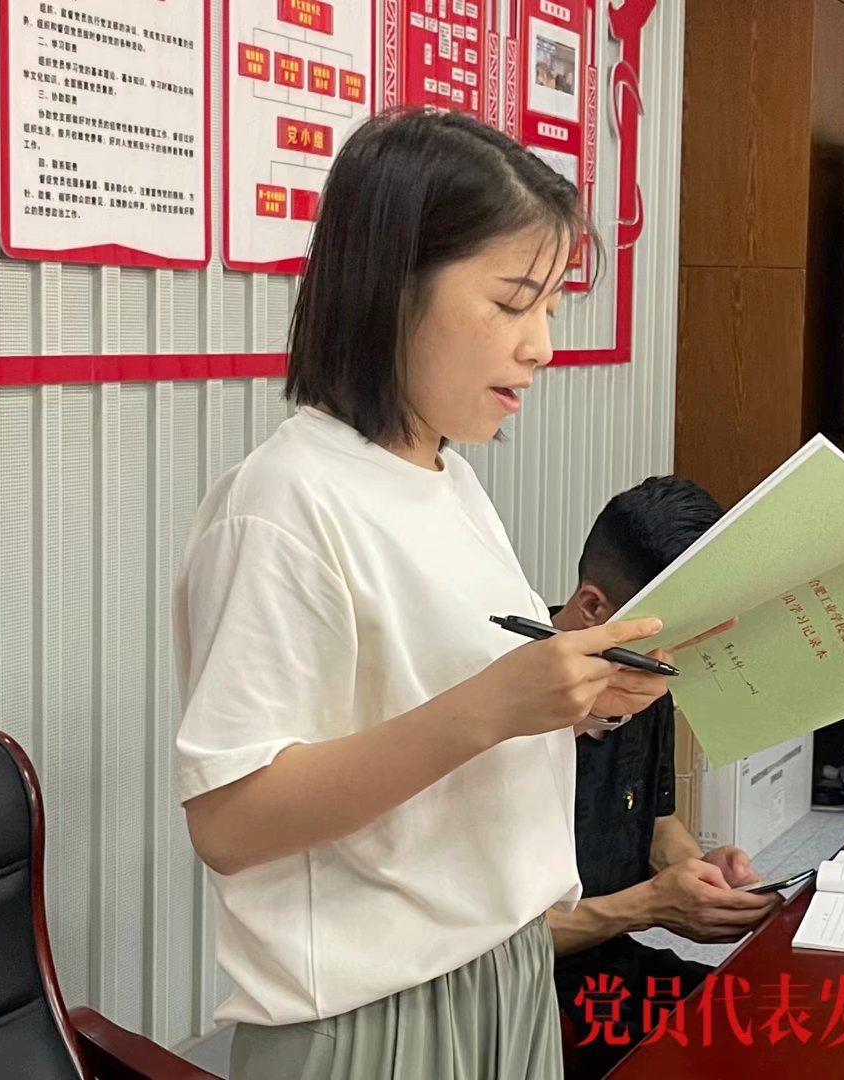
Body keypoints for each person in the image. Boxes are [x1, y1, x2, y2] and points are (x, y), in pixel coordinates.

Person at [173, 108, 671, 1080]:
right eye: (513, 302)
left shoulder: (447, 478)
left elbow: (427, 701)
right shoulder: (282, 502)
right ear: (392, 286)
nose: (541, 346)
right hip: (373, 1015)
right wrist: (493, 707)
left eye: (552, 308)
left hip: (505, 966)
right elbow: (228, 822)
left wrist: (575, 699)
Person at [545, 477, 779, 1078]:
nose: (677, 663)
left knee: (789, 1021)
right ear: (594, 608)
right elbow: (484, 946)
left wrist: (697, 874)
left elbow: (655, 822)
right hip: (527, 998)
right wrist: (649, 905)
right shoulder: (504, 710)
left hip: (614, 967)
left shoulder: (644, 676)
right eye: (673, 640)